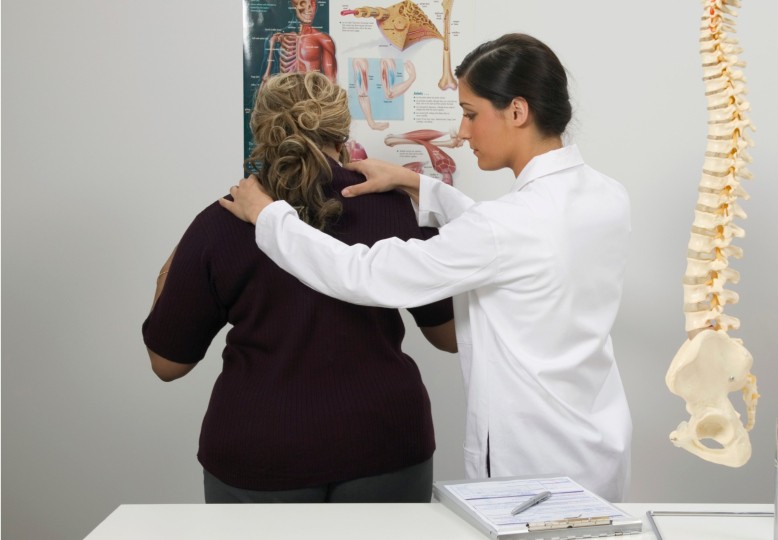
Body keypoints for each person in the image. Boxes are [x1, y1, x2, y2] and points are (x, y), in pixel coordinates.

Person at [221, 33, 633, 501]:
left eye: (472, 113)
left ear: (518, 112)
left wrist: (269, 217)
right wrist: (418, 185)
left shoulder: (507, 227)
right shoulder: (607, 197)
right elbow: (519, 239)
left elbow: (364, 273)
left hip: (533, 470)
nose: (461, 131)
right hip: (598, 445)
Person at [143, 71, 456, 503]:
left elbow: (167, 363)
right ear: (342, 135)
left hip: (260, 449)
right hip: (384, 441)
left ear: (262, 135)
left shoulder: (223, 221)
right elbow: (449, 336)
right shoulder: (392, 207)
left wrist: (188, 245)